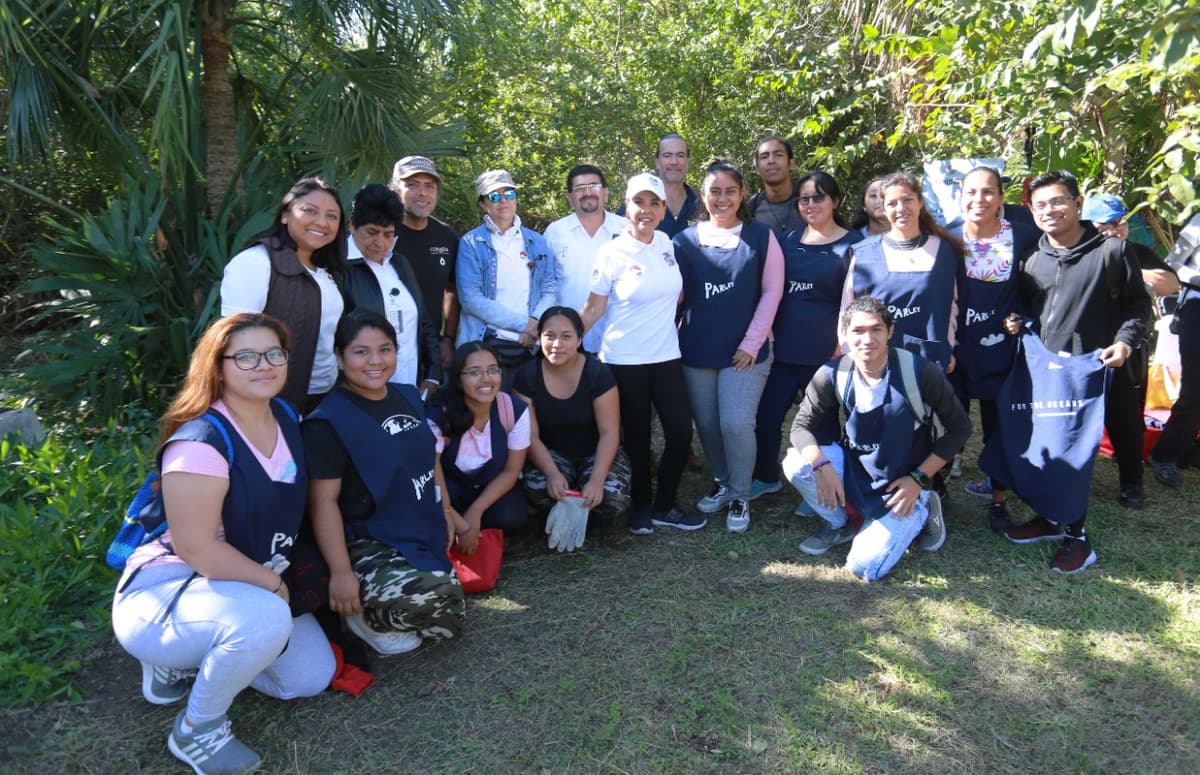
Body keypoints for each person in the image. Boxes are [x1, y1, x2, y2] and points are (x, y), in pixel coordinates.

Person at [112, 313, 334, 775]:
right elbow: (198, 550)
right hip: (167, 591)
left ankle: (189, 664)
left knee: (311, 676)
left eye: (275, 353)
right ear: (218, 366)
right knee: (268, 618)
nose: (264, 365)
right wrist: (272, 585)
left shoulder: (287, 417)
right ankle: (198, 728)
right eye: (246, 356)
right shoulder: (200, 443)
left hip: (235, 587)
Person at [999, 170, 1151, 571]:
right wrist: (1018, 320)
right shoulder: (1032, 256)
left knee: (1076, 453)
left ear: (1077, 202)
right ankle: (1050, 519)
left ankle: (1078, 538)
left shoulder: (1111, 251)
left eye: (1058, 201)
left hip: (1089, 371)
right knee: (1048, 445)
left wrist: (1125, 341)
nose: (1050, 210)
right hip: (1045, 371)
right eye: (1041, 204)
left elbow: (1139, 307)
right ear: (1031, 211)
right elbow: (1033, 306)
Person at [304, 310, 464, 656]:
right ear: (340, 358)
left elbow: (430, 457)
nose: (375, 361)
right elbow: (323, 503)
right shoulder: (328, 421)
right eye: (361, 352)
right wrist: (341, 573)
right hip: (367, 540)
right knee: (437, 599)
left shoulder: (407, 395)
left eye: (385, 349)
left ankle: (397, 596)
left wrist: (447, 508)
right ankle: (363, 617)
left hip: (415, 526)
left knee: (447, 610)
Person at [784, 297, 971, 581]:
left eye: (876, 329)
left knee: (863, 566)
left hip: (904, 483)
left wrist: (919, 478)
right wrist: (821, 465)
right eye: (858, 331)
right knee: (797, 463)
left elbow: (960, 428)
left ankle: (925, 508)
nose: (867, 339)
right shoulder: (832, 373)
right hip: (857, 471)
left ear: (890, 331)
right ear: (845, 335)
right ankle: (840, 524)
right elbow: (800, 427)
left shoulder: (919, 371)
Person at [581, 172, 699, 534]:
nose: (646, 210)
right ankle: (642, 508)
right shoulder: (611, 252)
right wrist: (560, 343)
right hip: (623, 360)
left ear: (664, 209)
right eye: (639, 202)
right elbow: (593, 309)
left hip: (666, 355)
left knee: (680, 432)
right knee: (636, 439)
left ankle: (666, 503)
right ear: (627, 206)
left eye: (654, 203)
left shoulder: (666, 242)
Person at [674, 159, 784, 533]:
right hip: (697, 348)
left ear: (742, 194)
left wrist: (752, 343)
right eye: (714, 191)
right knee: (707, 424)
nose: (722, 198)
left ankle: (740, 494)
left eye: (730, 191)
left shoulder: (761, 237)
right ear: (703, 196)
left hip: (746, 353)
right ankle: (722, 481)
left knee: (736, 423)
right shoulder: (683, 241)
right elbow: (675, 296)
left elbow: (772, 291)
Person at [752, 171, 858, 501]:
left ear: (835, 201)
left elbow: (855, 300)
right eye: (804, 199)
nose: (810, 204)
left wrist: (844, 345)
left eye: (818, 197)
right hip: (784, 349)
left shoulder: (854, 244)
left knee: (822, 426)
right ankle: (766, 476)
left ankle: (820, 489)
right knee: (766, 417)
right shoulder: (787, 241)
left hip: (827, 353)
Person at [949, 167, 1039, 529]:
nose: (979, 200)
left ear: (1001, 197)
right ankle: (936, 493)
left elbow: (1042, 286)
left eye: (988, 192)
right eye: (971, 192)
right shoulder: (947, 238)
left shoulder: (1025, 236)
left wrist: (1025, 316)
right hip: (956, 346)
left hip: (1001, 348)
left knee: (997, 426)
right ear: (961, 197)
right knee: (946, 422)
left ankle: (999, 500)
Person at [220, 177, 348, 412]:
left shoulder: (327, 273)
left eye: (332, 216)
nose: (322, 222)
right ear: (285, 214)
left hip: (324, 396)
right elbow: (236, 341)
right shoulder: (256, 262)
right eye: (310, 211)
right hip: (272, 403)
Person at [514, 306, 631, 531]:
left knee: (612, 496)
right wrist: (552, 474)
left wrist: (596, 480)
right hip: (552, 454)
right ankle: (565, 507)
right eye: (549, 336)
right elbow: (532, 436)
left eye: (566, 337)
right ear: (539, 338)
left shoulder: (598, 373)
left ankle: (588, 517)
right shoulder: (527, 376)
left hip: (594, 451)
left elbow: (610, 433)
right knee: (537, 488)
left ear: (579, 340)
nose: (557, 344)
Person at [845, 171, 963, 374]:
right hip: (876, 361)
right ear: (884, 208)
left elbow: (950, 306)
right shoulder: (864, 252)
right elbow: (846, 308)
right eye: (892, 203)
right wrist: (850, 352)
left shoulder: (943, 251)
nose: (900, 208)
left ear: (920, 202)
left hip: (929, 362)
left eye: (907, 200)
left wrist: (948, 347)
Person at [456, 169, 558, 388]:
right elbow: (471, 299)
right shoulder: (471, 244)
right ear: (483, 204)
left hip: (530, 346)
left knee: (525, 415)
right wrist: (525, 326)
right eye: (494, 196)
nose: (503, 201)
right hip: (487, 343)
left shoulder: (537, 241)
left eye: (509, 194)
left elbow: (550, 288)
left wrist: (534, 323)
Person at [342, 183, 442, 394]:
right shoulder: (340, 268)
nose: (380, 243)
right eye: (372, 232)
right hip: (361, 390)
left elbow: (423, 320)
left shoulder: (400, 263)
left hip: (410, 385)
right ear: (352, 225)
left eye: (388, 234)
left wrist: (433, 373)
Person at [430, 341, 532, 533]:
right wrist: (459, 523)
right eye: (475, 372)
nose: (486, 379)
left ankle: (487, 537)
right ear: (458, 379)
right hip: (448, 490)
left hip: (487, 488)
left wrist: (476, 511)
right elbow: (432, 473)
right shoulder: (438, 415)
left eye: (493, 370)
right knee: (434, 515)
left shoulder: (513, 410)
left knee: (511, 515)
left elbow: (511, 471)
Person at [541, 164, 626, 352]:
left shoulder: (626, 230)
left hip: (618, 342)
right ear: (569, 197)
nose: (588, 192)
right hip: (568, 346)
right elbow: (545, 285)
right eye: (580, 188)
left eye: (594, 186)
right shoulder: (554, 233)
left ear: (605, 192)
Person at [391, 155, 461, 368]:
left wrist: (448, 338)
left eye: (429, 186)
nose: (422, 193)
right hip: (384, 349)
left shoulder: (446, 236)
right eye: (412, 185)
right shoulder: (382, 234)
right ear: (395, 190)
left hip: (430, 349)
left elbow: (452, 290)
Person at [1149, 212, 1200, 487]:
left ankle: (1187, 450)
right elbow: (1170, 267)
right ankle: (1164, 454)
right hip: (1196, 306)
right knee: (1195, 388)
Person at [617, 133, 701, 237]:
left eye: (680, 155)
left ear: (688, 161)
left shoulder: (701, 206)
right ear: (657, 161)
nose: (674, 162)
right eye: (667, 156)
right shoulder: (636, 204)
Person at [746, 135, 805, 235]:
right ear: (757, 168)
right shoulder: (751, 209)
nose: (771, 161)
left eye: (778, 155)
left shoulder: (809, 201)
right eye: (764, 157)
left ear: (791, 164)